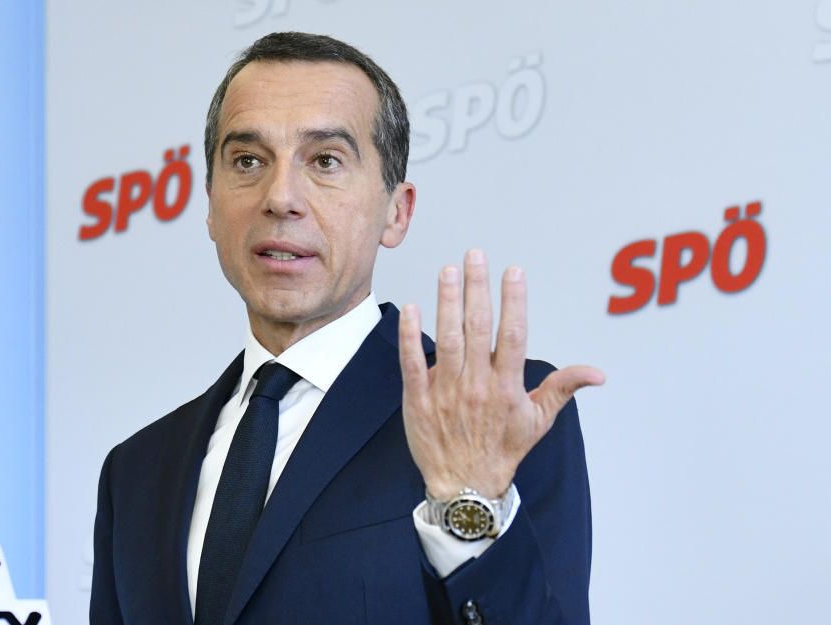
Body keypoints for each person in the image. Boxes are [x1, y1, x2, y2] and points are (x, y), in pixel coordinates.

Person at [90, 31, 604, 625]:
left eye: (325, 161)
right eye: (248, 161)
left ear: (397, 211)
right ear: (210, 203)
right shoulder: (136, 472)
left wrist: (468, 507)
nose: (280, 197)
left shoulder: (492, 415)